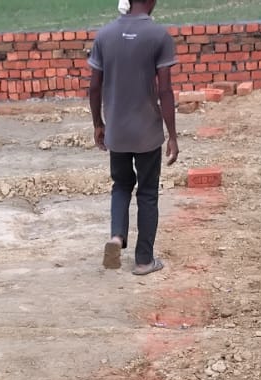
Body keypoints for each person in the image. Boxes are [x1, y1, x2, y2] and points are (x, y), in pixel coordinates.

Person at [88, 0, 179, 276]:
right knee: (147, 193)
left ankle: (117, 237)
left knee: (121, 185)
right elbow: (165, 90)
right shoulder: (159, 36)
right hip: (146, 132)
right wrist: (172, 135)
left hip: (117, 131)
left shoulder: (104, 35)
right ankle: (143, 261)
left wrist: (98, 124)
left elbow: (94, 87)